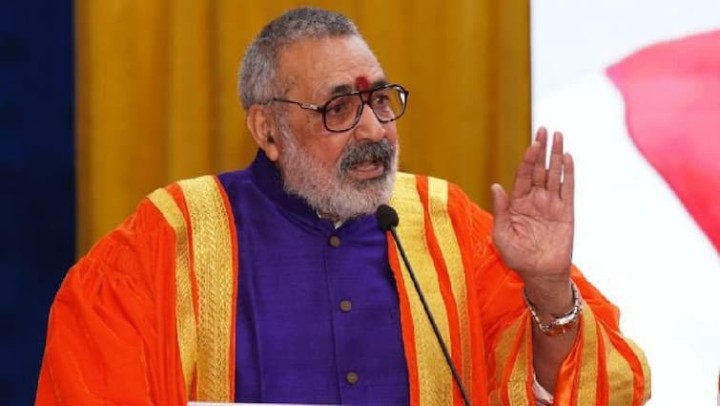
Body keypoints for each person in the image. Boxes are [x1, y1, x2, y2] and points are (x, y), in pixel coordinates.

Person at [36, 7, 649, 405]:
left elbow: (598, 391)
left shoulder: (450, 228)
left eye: (380, 100)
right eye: (339, 109)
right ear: (268, 130)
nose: (375, 130)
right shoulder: (168, 241)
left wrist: (547, 287)